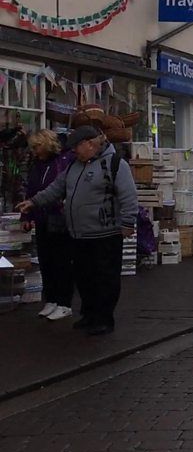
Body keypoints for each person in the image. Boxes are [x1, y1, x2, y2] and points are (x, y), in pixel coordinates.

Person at [17, 125, 138, 336]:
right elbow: (56, 188)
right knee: (84, 278)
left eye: (76, 147)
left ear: (90, 144)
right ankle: (89, 315)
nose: (73, 151)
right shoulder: (74, 165)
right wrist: (33, 202)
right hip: (79, 234)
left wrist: (127, 224)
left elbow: (128, 197)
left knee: (104, 279)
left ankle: (103, 319)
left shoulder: (116, 164)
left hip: (105, 234)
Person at [20, 130, 75, 321]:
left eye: (37, 147)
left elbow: (61, 189)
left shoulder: (63, 162)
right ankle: (51, 299)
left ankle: (64, 302)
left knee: (61, 262)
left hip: (59, 219)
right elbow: (32, 190)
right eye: (33, 148)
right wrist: (26, 215)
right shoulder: (38, 165)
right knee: (46, 261)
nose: (35, 151)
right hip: (42, 219)